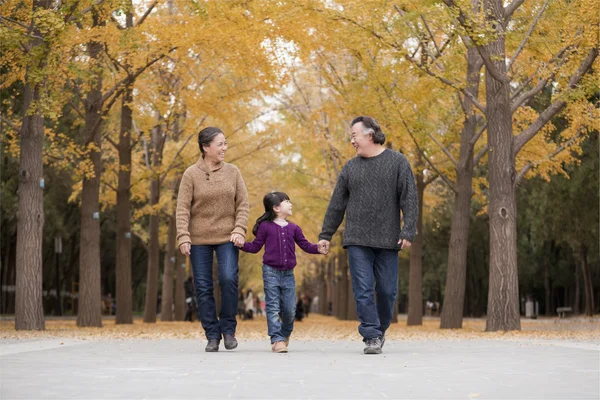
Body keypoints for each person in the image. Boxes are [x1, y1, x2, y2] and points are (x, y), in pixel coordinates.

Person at [317, 116, 418, 355]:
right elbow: (336, 204)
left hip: (388, 238)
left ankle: (380, 330)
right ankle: (371, 335)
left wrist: (408, 230)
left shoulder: (398, 162)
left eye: (354, 135)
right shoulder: (350, 168)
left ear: (370, 135)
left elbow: (410, 199)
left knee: (386, 291)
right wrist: (325, 235)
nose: (351, 140)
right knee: (362, 288)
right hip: (357, 239)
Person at [176, 126, 250, 352]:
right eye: (220, 144)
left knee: (228, 279)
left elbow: (243, 204)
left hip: (228, 236)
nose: (224, 148)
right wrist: (183, 236)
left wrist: (239, 229)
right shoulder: (190, 174)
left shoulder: (233, 172)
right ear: (205, 147)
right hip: (198, 239)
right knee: (203, 286)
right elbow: (182, 209)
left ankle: (228, 329)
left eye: (225, 144)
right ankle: (212, 334)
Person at [237, 191, 324, 353]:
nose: (291, 204)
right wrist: (241, 244)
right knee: (272, 307)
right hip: (270, 272)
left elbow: (306, 246)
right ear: (276, 208)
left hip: (288, 274)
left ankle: (284, 334)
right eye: (287, 201)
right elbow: (255, 247)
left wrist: (319, 248)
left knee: (290, 309)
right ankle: (276, 339)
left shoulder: (294, 228)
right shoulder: (265, 227)